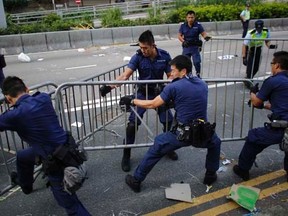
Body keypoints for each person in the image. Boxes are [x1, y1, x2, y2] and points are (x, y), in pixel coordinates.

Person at [120, 55, 221, 192]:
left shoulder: (174, 87)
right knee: (215, 143)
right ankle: (210, 175)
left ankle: (136, 180)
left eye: (173, 70)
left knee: (157, 146)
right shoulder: (202, 84)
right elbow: (188, 101)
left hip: (182, 134)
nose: (170, 73)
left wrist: (132, 101)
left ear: (183, 71)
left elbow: (152, 104)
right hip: (202, 132)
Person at [0, 76, 91, 216]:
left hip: (55, 161)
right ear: (27, 89)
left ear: (8, 98)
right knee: (23, 156)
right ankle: (26, 185)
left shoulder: (14, 115)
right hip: (66, 148)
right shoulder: (43, 98)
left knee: (71, 205)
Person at [99, 30, 177, 172]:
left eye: (145, 48)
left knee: (168, 122)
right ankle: (126, 155)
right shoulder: (138, 57)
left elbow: (171, 75)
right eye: (141, 47)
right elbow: (125, 75)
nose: (143, 50)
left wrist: (168, 85)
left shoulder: (164, 56)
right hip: (142, 93)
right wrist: (109, 87)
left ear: (153, 45)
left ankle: (168, 148)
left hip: (158, 93)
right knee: (131, 125)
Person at [234, 51, 288, 182]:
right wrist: (265, 105)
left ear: (277, 65)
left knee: (253, 138)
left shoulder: (273, 81)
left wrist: (253, 93)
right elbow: (278, 104)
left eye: (272, 63)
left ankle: (243, 169)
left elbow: (257, 102)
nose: (271, 66)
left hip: (282, 128)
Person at [178, 10, 211, 78]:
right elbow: (179, 35)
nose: (190, 19)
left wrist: (206, 37)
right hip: (187, 46)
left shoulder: (198, 25)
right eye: (189, 17)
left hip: (195, 47)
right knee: (186, 62)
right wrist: (183, 41)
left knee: (197, 62)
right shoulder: (183, 26)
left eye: (192, 17)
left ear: (194, 17)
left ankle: (198, 74)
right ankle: (188, 75)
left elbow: (203, 33)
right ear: (186, 18)